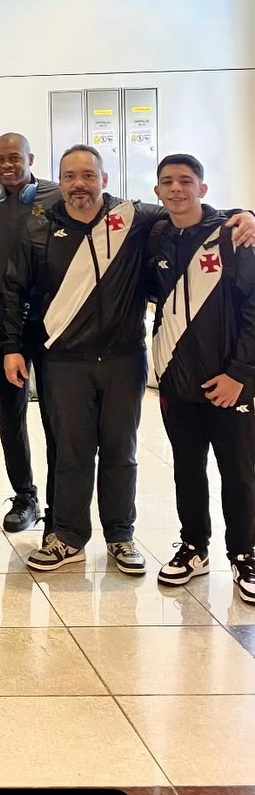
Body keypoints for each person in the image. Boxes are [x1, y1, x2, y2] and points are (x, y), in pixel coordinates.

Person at [1, 144, 255, 576]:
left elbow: (190, 210)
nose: (79, 184)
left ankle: (120, 536)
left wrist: (243, 214)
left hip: (123, 358)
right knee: (71, 453)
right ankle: (68, 537)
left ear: (104, 179)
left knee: (122, 452)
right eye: (69, 176)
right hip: (63, 361)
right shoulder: (39, 228)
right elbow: (14, 289)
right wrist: (11, 346)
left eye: (88, 175)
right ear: (59, 182)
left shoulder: (134, 219)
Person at [148, 154, 255, 605]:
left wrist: (239, 375)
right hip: (177, 383)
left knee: (239, 472)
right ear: (157, 191)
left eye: (185, 181)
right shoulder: (155, 236)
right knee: (187, 469)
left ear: (202, 189)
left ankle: (245, 554)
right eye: (167, 182)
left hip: (230, 382)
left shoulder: (232, 236)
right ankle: (194, 547)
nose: (176, 189)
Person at [0, 132, 59, 534]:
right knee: (11, 412)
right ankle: (25, 496)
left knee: (58, 416)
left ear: (30, 158)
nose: (7, 165)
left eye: (14, 158)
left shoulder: (56, 195)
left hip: (50, 314)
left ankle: (60, 504)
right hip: (1, 315)